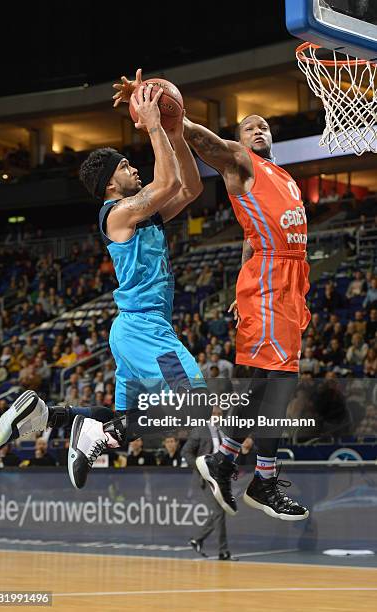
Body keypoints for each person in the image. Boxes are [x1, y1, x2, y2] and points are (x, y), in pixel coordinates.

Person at [112, 67, 310, 521]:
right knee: (279, 384)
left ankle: (225, 461)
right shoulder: (241, 161)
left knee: (261, 386)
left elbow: (249, 237)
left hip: (284, 285)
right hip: (271, 281)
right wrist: (169, 116)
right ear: (239, 138)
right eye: (248, 126)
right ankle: (258, 477)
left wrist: (241, 294)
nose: (257, 129)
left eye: (263, 125)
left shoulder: (284, 178)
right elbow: (210, 146)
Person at [0, 81, 206, 491]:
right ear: (110, 184)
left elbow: (190, 188)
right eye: (126, 166)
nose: (134, 169)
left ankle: (44, 415)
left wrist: (175, 133)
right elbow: (164, 185)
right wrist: (154, 126)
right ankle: (83, 432)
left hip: (137, 329)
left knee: (125, 426)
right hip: (144, 330)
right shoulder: (117, 214)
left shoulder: (144, 216)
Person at [181, 407, 234, 560]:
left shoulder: (223, 431)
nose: (217, 416)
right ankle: (223, 551)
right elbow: (186, 452)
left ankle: (197, 539)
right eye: (214, 414)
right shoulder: (200, 430)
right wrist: (200, 467)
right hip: (207, 476)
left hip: (222, 476)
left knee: (221, 511)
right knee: (219, 511)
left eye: (219, 414)